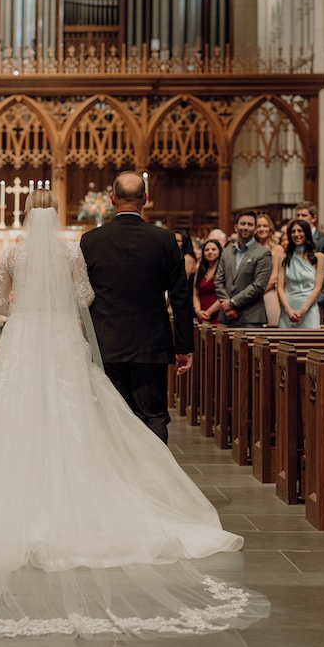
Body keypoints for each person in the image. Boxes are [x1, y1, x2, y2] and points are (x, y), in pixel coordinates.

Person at [0, 189, 269, 638]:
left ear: (27, 213)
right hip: (61, 341)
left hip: (24, 340)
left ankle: (12, 491)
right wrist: (59, 304)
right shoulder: (72, 249)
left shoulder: (13, 253)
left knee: (13, 415)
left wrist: (17, 305)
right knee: (75, 414)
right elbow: (86, 296)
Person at [80, 171, 193, 444]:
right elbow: (180, 296)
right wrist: (184, 347)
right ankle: (154, 481)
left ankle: (117, 479)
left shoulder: (91, 241)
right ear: (145, 198)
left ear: (111, 199)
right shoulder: (164, 240)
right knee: (153, 414)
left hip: (106, 341)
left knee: (112, 414)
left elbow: (81, 295)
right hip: (150, 343)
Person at [215, 210, 272, 327]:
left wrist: (232, 303)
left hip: (250, 317)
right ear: (236, 227)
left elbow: (258, 286)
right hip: (226, 317)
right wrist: (227, 307)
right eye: (243, 224)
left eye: (250, 224)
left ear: (255, 229)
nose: (245, 227)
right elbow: (219, 282)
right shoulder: (226, 252)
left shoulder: (263, 253)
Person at [277, 219, 324, 329]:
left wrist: (303, 310)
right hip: (288, 307)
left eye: (300, 231)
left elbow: (318, 288)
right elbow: (280, 287)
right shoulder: (283, 258)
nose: (296, 234)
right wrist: (288, 309)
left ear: (307, 233)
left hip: (309, 308)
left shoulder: (319, 258)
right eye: (293, 231)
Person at [294, 202, 324, 323]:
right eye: (298, 215)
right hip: (295, 299)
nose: (299, 219)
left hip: (318, 302)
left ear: (314, 218)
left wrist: (319, 300)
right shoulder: (294, 239)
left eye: (303, 216)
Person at [255, 213, 284, 326]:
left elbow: (275, 276)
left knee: (272, 327)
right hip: (251, 293)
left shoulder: (277, 249)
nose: (262, 229)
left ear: (270, 228)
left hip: (269, 291)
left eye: (265, 226)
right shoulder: (249, 249)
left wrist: (259, 291)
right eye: (259, 226)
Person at [192, 238, 222, 323]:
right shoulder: (200, 270)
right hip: (201, 314)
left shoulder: (223, 269)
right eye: (207, 250)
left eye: (213, 249)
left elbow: (224, 295)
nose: (210, 252)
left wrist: (209, 312)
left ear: (219, 251)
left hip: (218, 314)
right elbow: (195, 293)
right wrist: (198, 311)